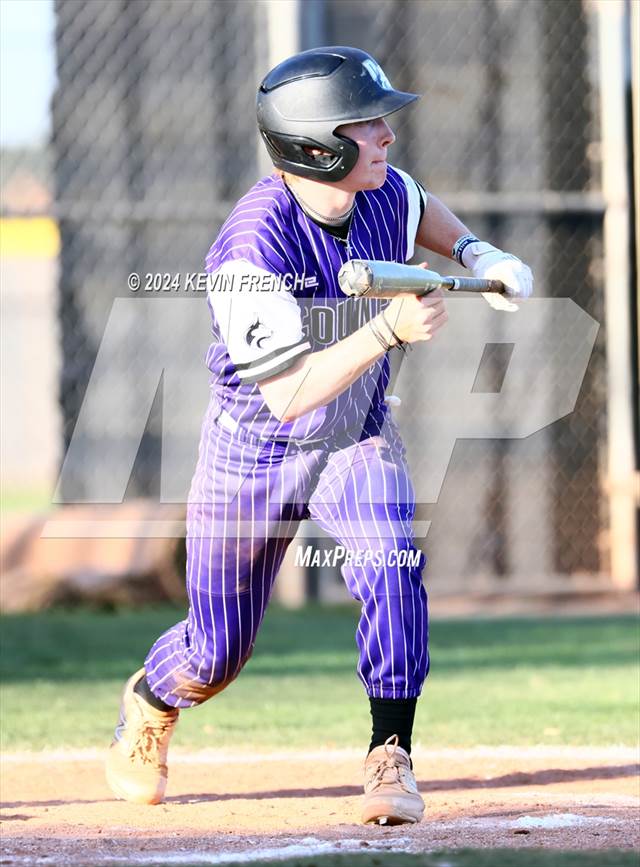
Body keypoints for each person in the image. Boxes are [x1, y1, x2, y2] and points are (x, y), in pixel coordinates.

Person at [106, 45, 533, 825]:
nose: (387, 137)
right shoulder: (249, 249)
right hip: (253, 447)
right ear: (317, 146)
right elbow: (290, 393)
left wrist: (479, 253)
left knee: (391, 562)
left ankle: (390, 751)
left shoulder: (378, 193)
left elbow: (416, 201)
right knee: (215, 652)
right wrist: (388, 331)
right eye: (368, 125)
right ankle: (151, 699)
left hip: (354, 437)